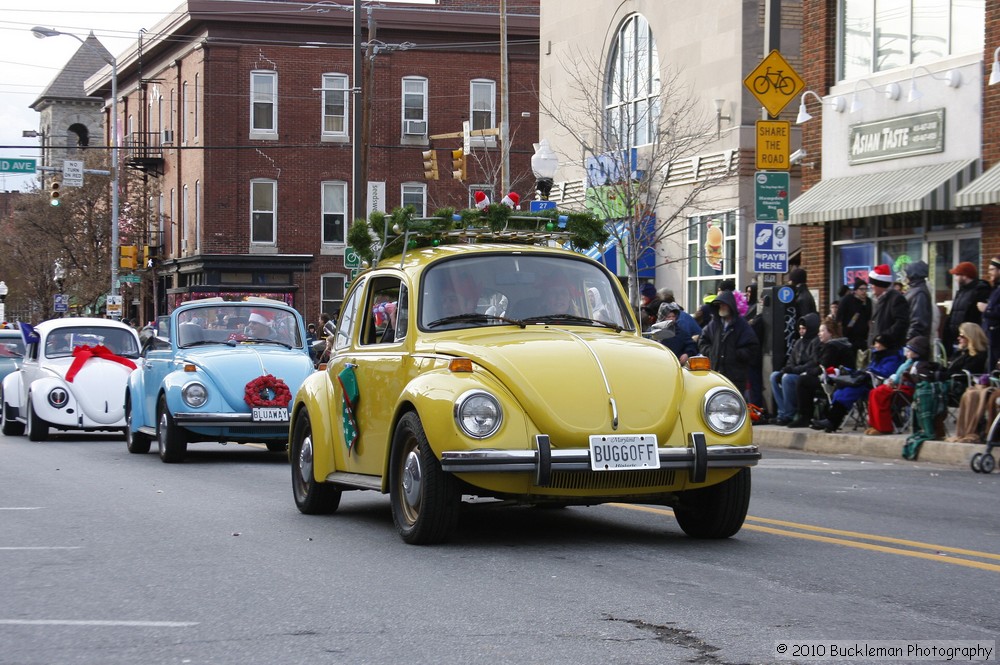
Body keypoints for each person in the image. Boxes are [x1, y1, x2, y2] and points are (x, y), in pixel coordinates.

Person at [811, 334, 904, 433]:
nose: (875, 345)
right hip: (867, 381)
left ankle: (832, 422)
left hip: (877, 384)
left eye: (878, 343)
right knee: (841, 391)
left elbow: (886, 372)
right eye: (875, 343)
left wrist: (869, 370)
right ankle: (831, 420)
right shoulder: (878, 355)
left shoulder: (892, 357)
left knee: (850, 391)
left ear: (886, 345)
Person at [791, 319, 855, 427]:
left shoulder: (832, 347)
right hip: (842, 378)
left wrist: (807, 373)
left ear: (830, 332)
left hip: (835, 380)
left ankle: (805, 416)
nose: (819, 334)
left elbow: (822, 367)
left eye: (822, 331)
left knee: (803, 381)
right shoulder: (842, 343)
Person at [865, 336, 932, 435]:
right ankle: (874, 424)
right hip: (899, 386)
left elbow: (914, 379)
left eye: (909, 351)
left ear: (917, 353)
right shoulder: (907, 363)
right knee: (874, 392)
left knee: (878, 394)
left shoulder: (919, 365)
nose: (907, 353)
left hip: (907, 389)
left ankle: (883, 427)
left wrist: (896, 380)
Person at [698, 290, 760, 393]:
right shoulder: (714, 324)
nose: (721, 307)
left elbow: (752, 347)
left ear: (730, 306)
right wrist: (711, 352)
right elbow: (702, 340)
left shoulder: (741, 325)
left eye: (724, 305)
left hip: (736, 375)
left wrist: (736, 354)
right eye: (719, 305)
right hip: (716, 373)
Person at [770, 313, 821, 426]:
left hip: (805, 374)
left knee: (787, 378)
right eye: (800, 329)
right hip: (795, 371)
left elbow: (812, 363)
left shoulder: (816, 342)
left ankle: (789, 414)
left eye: (804, 328)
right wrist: (785, 370)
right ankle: (782, 412)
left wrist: (792, 370)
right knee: (774, 376)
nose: (801, 331)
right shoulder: (799, 342)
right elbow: (791, 361)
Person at [945, 261, 991, 354]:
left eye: (957, 275)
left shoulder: (980, 291)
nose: (955, 278)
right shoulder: (961, 292)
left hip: (970, 339)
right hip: (957, 339)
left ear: (965, 276)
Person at [867, 263, 908, 351]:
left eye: (873, 284)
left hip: (889, 349)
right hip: (878, 348)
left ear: (879, 285)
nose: (871, 287)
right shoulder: (877, 299)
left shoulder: (896, 299)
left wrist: (883, 339)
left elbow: (901, 323)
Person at [903, 260, 937, 342]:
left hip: (914, 345)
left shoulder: (919, 293)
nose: (905, 276)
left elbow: (918, 322)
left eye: (907, 273)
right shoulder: (915, 290)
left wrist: (908, 340)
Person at [836, 278, 872, 356]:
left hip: (863, 337)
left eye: (866, 289)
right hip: (849, 335)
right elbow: (839, 319)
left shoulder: (868, 301)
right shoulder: (847, 300)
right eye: (861, 289)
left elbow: (869, 319)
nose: (864, 292)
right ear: (855, 290)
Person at [980, 256, 1000, 368]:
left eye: (992, 269)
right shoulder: (995, 289)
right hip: (990, 338)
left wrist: (986, 309)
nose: (989, 272)